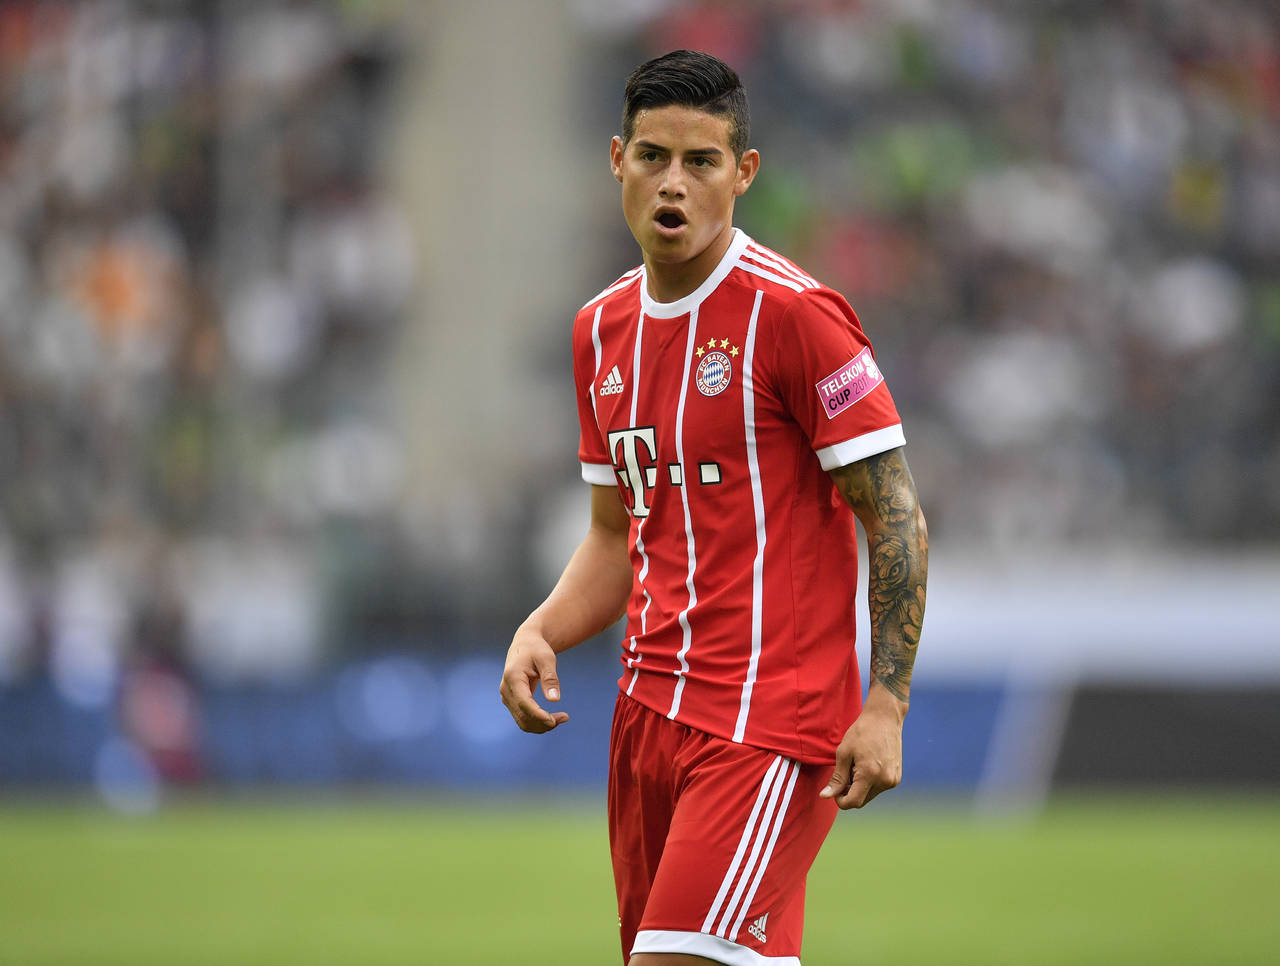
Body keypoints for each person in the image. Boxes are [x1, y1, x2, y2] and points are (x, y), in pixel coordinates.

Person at [500, 49, 928, 966]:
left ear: (744, 173)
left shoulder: (797, 317)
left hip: (769, 725)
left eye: (701, 161)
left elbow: (895, 516)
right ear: (616, 160)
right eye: (653, 156)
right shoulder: (598, 331)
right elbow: (616, 536)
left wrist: (886, 704)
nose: (674, 182)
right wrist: (542, 628)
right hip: (646, 719)